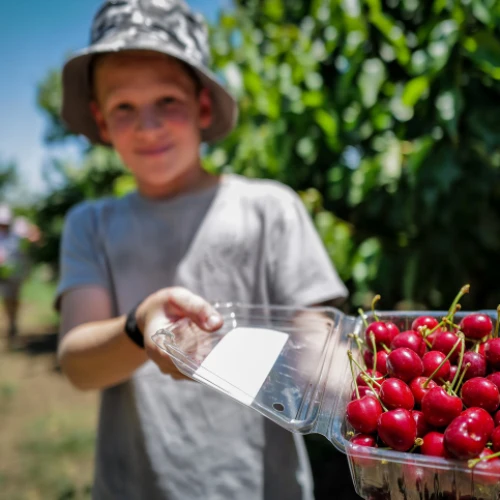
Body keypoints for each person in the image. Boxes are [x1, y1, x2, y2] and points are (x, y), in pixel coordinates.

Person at [56, 1, 349, 499]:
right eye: (123, 107)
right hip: (137, 484)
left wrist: (387, 399)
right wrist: (139, 325)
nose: (148, 125)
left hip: (262, 485)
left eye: (167, 100)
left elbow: (316, 345)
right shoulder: (91, 225)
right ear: (101, 123)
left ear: (203, 107)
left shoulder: (269, 209)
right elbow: (79, 365)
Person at [0, 204, 37, 343]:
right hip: (4, 274)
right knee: (7, 298)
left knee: (15, 298)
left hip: (17, 273)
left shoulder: (18, 233)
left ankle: (13, 321)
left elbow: (33, 234)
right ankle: (11, 322)